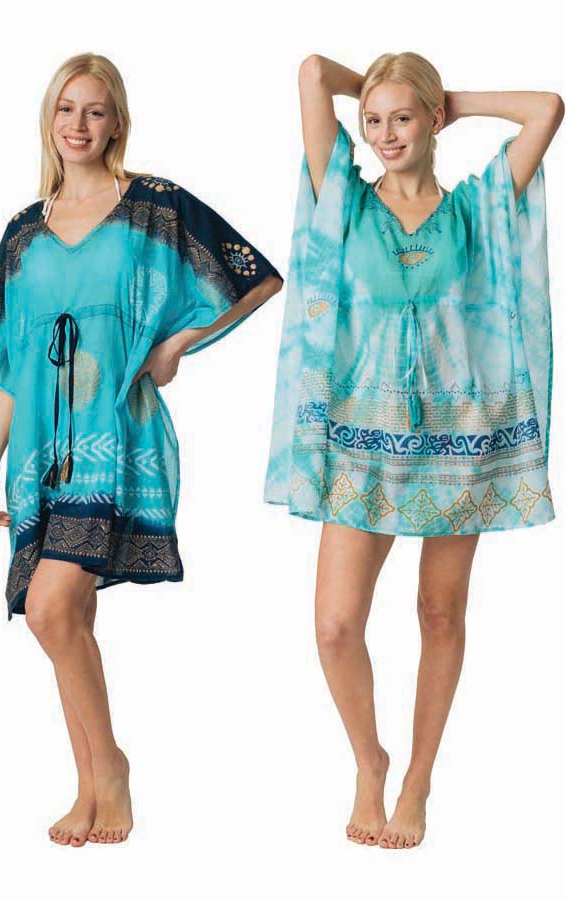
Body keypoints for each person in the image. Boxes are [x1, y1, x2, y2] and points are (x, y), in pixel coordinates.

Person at [0, 52, 282, 846]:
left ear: (117, 123)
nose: (78, 124)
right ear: (49, 119)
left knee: (49, 608)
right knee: (63, 615)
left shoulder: (151, 206)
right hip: (39, 449)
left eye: (95, 110)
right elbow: (15, 360)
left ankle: (109, 770)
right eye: (66, 108)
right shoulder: (23, 231)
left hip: (114, 437)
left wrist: (175, 344)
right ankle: (90, 784)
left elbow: (255, 277)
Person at [264, 51, 562, 849]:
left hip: (458, 439)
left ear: (432, 122)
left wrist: (450, 100)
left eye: (403, 118)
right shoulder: (343, 200)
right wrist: (374, 87)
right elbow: (311, 72)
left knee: (439, 611)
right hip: (359, 442)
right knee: (335, 625)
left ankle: (419, 780)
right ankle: (371, 761)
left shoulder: (477, 208)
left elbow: (546, 107)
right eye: (374, 120)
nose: (385, 134)